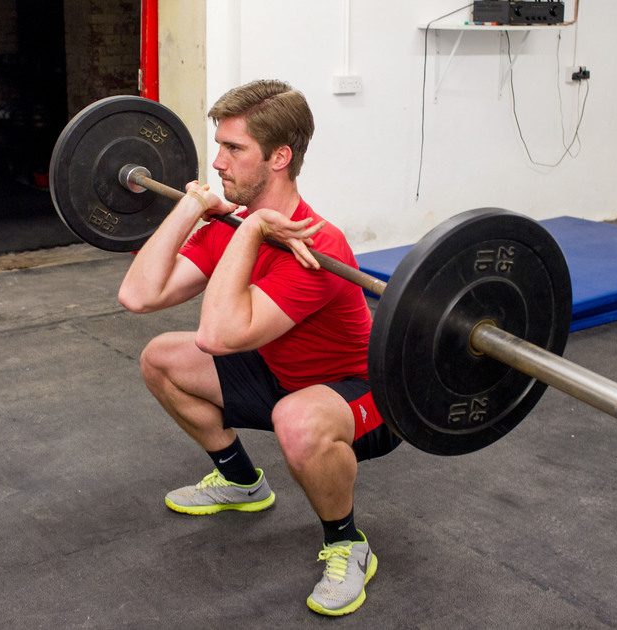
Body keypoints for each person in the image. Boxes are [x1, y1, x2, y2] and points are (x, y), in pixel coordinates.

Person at [117, 79, 402, 616]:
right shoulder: (232, 223)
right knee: (160, 358)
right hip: (279, 374)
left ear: (280, 157)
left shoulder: (317, 244)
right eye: (218, 145)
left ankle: (347, 543)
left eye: (234, 148)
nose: (218, 162)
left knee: (297, 419)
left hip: (363, 397)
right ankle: (242, 482)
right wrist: (189, 210)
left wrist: (251, 233)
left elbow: (217, 336)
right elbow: (138, 295)